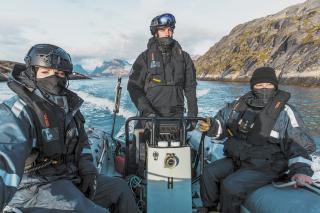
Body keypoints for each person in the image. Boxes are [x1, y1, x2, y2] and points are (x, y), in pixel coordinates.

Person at [0, 44, 138, 212]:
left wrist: (88, 170)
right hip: (36, 188)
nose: (54, 79)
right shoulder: (18, 111)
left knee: (120, 189)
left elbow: (83, 144)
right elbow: (5, 155)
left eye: (59, 73)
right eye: (45, 72)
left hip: (70, 176)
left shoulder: (68, 108)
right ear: (31, 74)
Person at [198, 67, 316, 213]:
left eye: (268, 85)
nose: (264, 88)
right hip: (240, 159)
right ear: (253, 86)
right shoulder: (238, 105)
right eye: (259, 85)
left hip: (268, 166)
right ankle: (209, 208)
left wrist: (301, 171)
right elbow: (222, 124)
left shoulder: (285, 111)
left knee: (231, 185)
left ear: (275, 86)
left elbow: (300, 145)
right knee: (209, 172)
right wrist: (211, 126)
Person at [127, 13, 198, 127]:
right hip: (149, 119)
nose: (167, 32)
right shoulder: (144, 58)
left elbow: (190, 88)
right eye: (163, 29)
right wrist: (147, 112)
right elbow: (133, 87)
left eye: (170, 29)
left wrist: (193, 116)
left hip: (177, 120)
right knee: (137, 144)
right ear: (156, 32)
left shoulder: (185, 58)